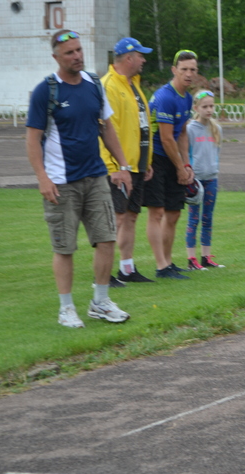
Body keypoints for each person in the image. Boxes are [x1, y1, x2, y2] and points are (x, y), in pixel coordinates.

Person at [25, 29, 132, 328]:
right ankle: (66, 308)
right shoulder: (46, 91)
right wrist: (42, 178)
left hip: (96, 176)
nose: (77, 56)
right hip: (61, 182)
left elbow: (106, 128)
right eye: (70, 52)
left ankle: (100, 302)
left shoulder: (94, 85)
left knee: (107, 239)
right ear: (56, 57)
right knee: (65, 247)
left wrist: (122, 165)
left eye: (79, 50)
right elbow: (32, 139)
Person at [100, 37, 155, 287]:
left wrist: (147, 160)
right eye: (141, 55)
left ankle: (127, 269)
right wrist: (114, 168)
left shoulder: (134, 85)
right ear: (129, 58)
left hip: (137, 165)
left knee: (131, 216)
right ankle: (104, 273)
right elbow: (106, 131)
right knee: (116, 219)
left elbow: (141, 126)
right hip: (119, 168)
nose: (144, 60)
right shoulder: (109, 85)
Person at [143, 49, 198, 280]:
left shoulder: (187, 98)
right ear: (174, 70)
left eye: (193, 70)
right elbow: (166, 138)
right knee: (156, 212)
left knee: (174, 213)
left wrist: (186, 165)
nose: (188, 74)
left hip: (173, 157)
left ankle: (168, 262)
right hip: (156, 158)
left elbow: (182, 133)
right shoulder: (165, 96)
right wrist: (178, 167)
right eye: (184, 69)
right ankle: (161, 265)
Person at [185, 90, 225, 270]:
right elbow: (186, 152)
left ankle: (206, 256)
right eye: (205, 107)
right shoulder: (190, 129)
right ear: (196, 108)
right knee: (194, 219)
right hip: (196, 181)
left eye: (211, 106)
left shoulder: (217, 129)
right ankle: (191, 258)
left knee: (208, 218)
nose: (209, 110)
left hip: (211, 179)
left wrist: (213, 169)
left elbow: (216, 152)